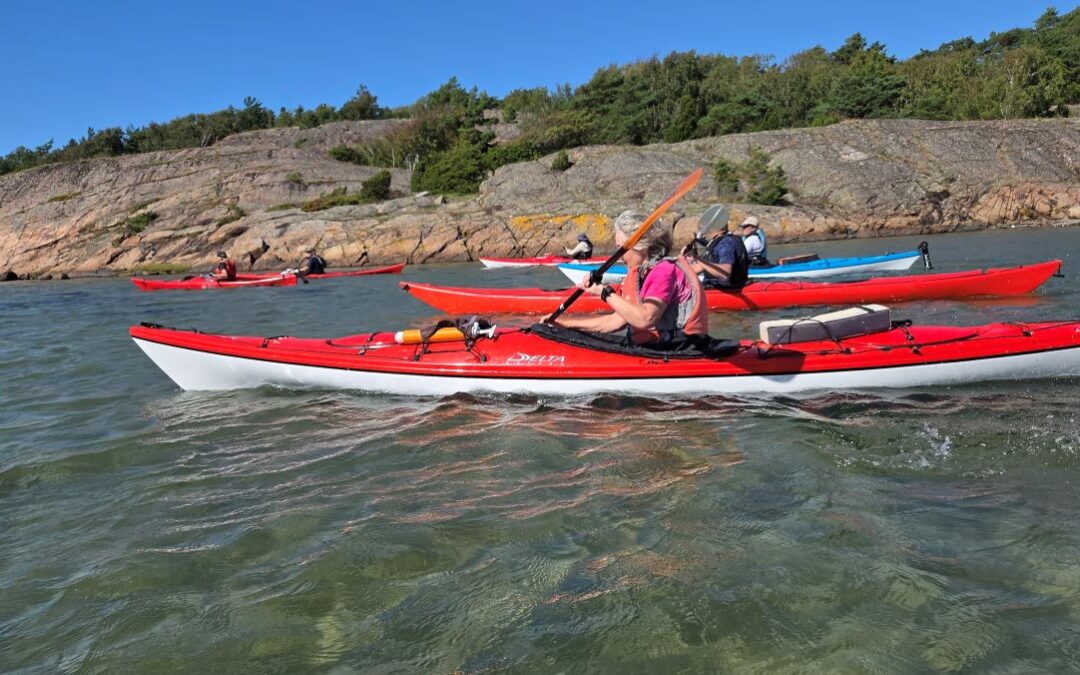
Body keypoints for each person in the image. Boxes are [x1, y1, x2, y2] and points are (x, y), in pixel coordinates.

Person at [544, 210, 709, 349]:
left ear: (641, 246)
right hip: (657, 349)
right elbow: (612, 322)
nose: (620, 258)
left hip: (680, 350)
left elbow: (646, 319)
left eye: (620, 249)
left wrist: (605, 292)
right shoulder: (640, 274)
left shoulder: (664, 270)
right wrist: (562, 323)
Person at [683, 205, 750, 289]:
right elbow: (699, 268)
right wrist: (680, 265)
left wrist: (697, 259)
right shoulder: (717, 242)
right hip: (720, 286)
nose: (706, 231)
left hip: (728, 288)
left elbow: (725, 273)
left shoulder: (725, 243)